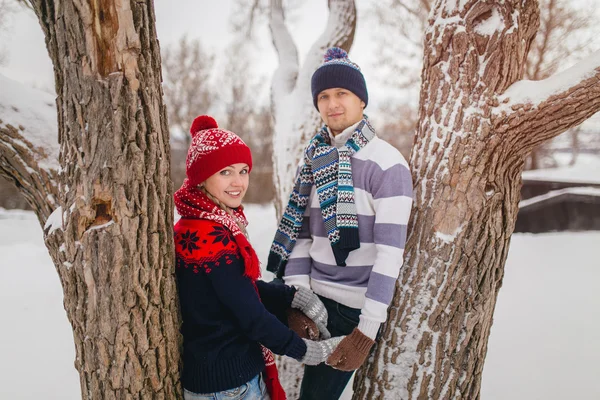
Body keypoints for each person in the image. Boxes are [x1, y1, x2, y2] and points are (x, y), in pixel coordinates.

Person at [267, 47, 414, 399]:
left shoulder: (387, 164)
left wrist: (365, 331)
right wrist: (296, 300)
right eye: (323, 96)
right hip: (311, 299)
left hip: (352, 309)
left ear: (361, 100)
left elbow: (389, 255)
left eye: (342, 94)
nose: (332, 104)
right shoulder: (316, 160)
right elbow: (301, 236)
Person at [174, 115, 344, 400]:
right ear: (202, 177)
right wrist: (306, 351)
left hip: (216, 378)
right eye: (225, 172)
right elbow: (251, 316)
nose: (238, 182)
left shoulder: (195, 225)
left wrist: (291, 297)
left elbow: (234, 289)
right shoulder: (212, 238)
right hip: (229, 386)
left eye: (243, 171)